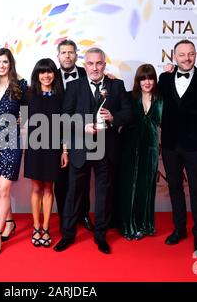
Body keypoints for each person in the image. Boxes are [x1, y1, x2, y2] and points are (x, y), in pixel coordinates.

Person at [54, 47, 133, 254]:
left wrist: (113, 117)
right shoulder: (74, 86)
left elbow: (129, 113)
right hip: (81, 148)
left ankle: (101, 236)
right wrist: (82, 126)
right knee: (74, 194)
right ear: (85, 65)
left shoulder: (117, 85)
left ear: (104, 65)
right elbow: (65, 116)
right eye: (91, 63)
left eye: (99, 63)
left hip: (107, 149)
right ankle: (68, 235)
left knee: (103, 195)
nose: (95, 67)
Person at [159, 39, 197, 255]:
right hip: (170, 145)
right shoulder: (164, 78)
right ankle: (179, 229)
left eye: (190, 54)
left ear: (196, 54)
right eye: (182, 54)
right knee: (174, 189)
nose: (187, 58)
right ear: (174, 56)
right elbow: (146, 96)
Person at [0, 48, 28, 258]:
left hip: (11, 140)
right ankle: (9, 222)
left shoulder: (21, 85)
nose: (1, 65)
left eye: (5, 62)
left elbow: (29, 109)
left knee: (3, 189)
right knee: (1, 190)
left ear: (11, 64)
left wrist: (22, 118)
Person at [114, 64, 162, 241]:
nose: (147, 82)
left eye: (150, 78)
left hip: (150, 149)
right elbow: (117, 113)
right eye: (143, 78)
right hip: (129, 147)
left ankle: (144, 224)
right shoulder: (128, 97)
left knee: (146, 187)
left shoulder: (161, 99)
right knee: (128, 187)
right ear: (138, 80)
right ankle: (128, 226)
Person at [24, 58, 69, 247]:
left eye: (50, 71)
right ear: (37, 75)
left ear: (54, 74)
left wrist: (64, 150)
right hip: (34, 148)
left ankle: (46, 227)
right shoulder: (28, 95)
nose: (46, 75)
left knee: (49, 189)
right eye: (42, 72)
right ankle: (36, 227)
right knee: (36, 189)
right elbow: (20, 120)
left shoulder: (61, 96)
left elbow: (65, 125)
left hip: (53, 149)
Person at [54, 39, 94, 232]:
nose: (67, 56)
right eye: (64, 52)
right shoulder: (49, 75)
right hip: (55, 134)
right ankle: (65, 219)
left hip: (81, 135)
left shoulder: (88, 73)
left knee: (83, 180)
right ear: (58, 56)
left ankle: (83, 215)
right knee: (61, 180)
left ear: (76, 55)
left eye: (71, 52)